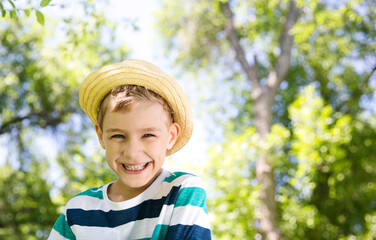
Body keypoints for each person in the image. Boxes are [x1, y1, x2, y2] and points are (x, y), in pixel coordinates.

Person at [47, 59, 211, 240]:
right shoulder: (77, 212)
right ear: (101, 136)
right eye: (118, 136)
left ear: (171, 136)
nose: (132, 153)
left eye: (148, 135)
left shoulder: (182, 192)